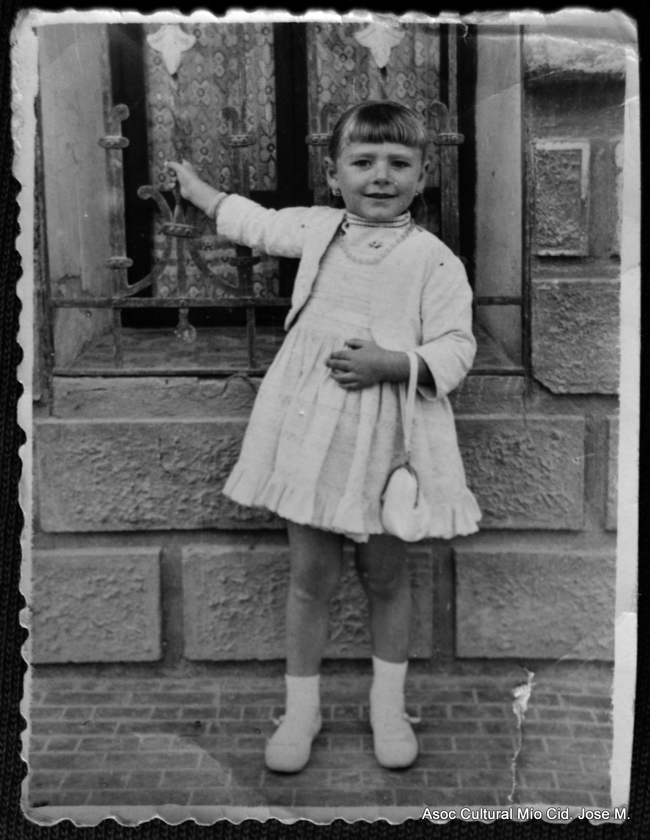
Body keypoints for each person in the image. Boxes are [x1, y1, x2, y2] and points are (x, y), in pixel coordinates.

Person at [166, 100, 481, 774]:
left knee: (387, 577)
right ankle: (301, 711)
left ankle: (387, 707)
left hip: (390, 434)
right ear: (334, 174)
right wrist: (199, 193)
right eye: (362, 162)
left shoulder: (433, 260)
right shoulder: (317, 229)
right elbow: (255, 223)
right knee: (310, 577)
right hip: (312, 432)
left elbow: (456, 348)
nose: (379, 175)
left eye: (398, 163)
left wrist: (394, 363)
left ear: (422, 175)